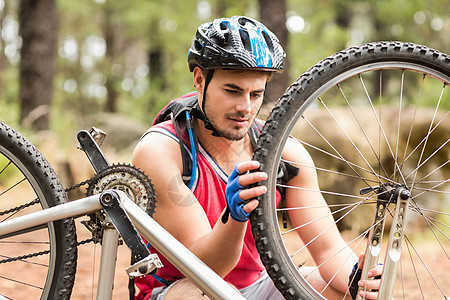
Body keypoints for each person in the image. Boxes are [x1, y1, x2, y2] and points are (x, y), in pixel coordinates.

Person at [132, 16, 382, 300]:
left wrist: (357, 277)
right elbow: (203, 270)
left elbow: (327, 248)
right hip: (184, 288)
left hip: (258, 285)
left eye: (256, 94)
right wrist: (235, 217)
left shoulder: (284, 153)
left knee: (346, 292)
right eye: (232, 91)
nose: (245, 107)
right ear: (200, 79)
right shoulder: (161, 151)